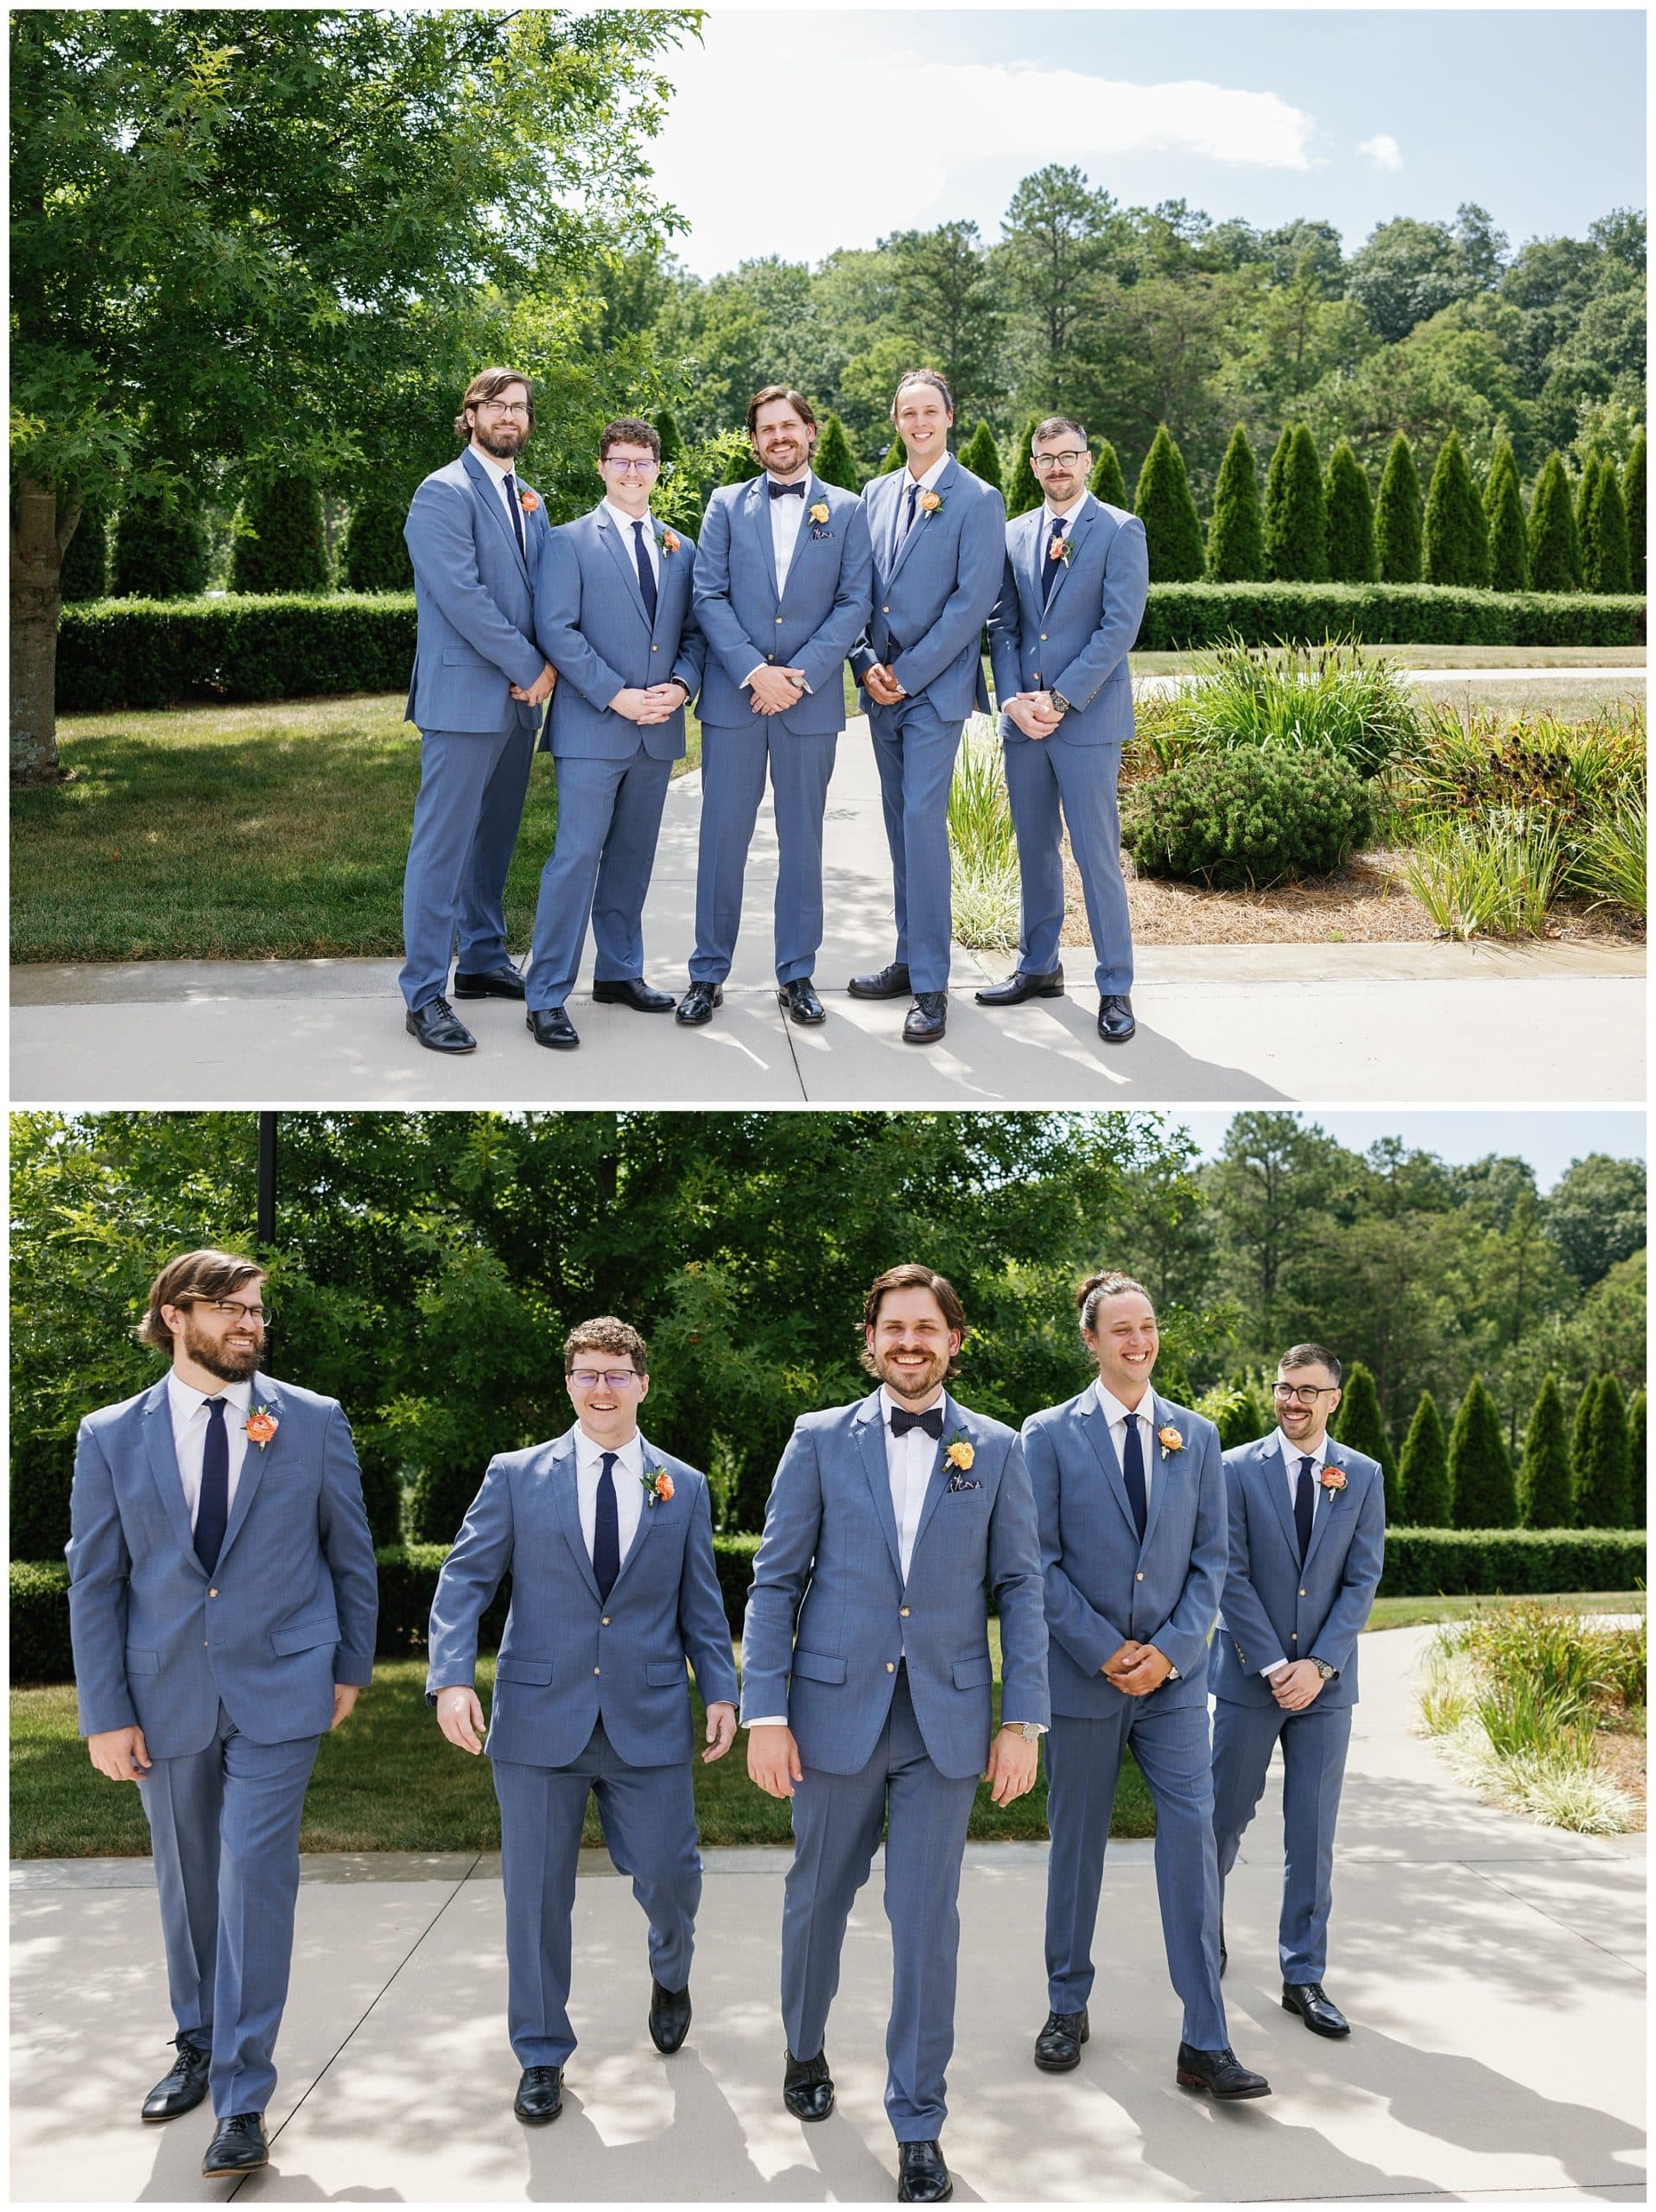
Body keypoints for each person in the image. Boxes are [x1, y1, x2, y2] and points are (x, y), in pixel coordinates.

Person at [67, 1249, 378, 2178]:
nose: (252, 1325)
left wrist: (350, 1664)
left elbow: (350, 1552)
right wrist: (103, 1710)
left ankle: (242, 2097)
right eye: (232, 1311)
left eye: (258, 1312)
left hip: (283, 1687)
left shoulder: (310, 1421)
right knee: (188, 1880)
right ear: (174, 1315)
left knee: (251, 1877)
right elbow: (96, 1583)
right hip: (161, 1694)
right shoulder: (110, 1435)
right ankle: (196, 2040)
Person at [742, 1264, 1049, 2203]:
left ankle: (919, 2120)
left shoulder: (996, 1449)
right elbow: (775, 1581)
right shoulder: (817, 1440)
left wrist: (1022, 1719)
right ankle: (803, 2045)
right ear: (869, 1341)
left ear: (955, 1340)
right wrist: (765, 1711)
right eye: (894, 1328)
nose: (909, 1343)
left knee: (926, 1927)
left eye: (928, 1327)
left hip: (946, 1723)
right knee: (817, 1903)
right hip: (832, 1717)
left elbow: (1022, 1588)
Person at [426, 1316, 739, 2123]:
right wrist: (451, 1677)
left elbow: (701, 1605)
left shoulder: (683, 1484)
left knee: (672, 1880)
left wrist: (723, 1691)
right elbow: (464, 1583)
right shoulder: (515, 1475)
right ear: (568, 1384)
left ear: (643, 1382)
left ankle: (671, 1971)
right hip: (536, 1721)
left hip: (648, 1719)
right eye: (587, 1374)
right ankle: (539, 2053)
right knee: (534, 1898)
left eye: (616, 1374)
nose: (602, 1388)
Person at [1022, 1273, 1270, 2101]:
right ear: (1090, 1341)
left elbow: (1212, 1559)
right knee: (1076, 1847)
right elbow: (1037, 1562)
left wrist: (1167, 1652)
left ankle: (1205, 2037)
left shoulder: (1194, 1435)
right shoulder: (1047, 1434)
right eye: (1121, 1329)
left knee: (1192, 1843)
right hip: (1083, 1681)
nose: (1139, 1341)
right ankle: (1066, 2005)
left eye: (1149, 1327)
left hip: (1172, 1686)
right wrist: (1101, 1649)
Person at [680, 386, 873, 1028]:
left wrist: (802, 675)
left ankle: (797, 974)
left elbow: (853, 603)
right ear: (754, 439)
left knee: (803, 842)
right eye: (766, 429)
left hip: (808, 703)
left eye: (789, 425)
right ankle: (706, 975)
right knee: (721, 841)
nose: (779, 437)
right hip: (736, 702)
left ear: (810, 431)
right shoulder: (724, 505)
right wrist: (753, 671)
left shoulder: (846, 510)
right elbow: (707, 595)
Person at [1209, 1344, 1386, 2038]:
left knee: (1311, 1837)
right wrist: (1271, 1665)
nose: (1293, 1401)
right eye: (1284, 1388)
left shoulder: (1362, 1476)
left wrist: (1318, 1664)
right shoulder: (1232, 1469)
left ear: (1332, 1399)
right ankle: (1203, 1936)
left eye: (1308, 1391)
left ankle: (1303, 1975)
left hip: (1326, 1689)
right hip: (1250, 1681)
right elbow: (1227, 1571)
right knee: (1221, 1819)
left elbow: (1360, 1579)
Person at [523, 419, 705, 1048]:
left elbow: (693, 636)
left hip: (658, 730)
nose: (632, 472)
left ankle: (620, 973)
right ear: (601, 467)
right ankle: (545, 994)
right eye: (620, 461)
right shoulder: (569, 542)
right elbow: (557, 629)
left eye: (643, 462)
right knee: (574, 860)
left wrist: (680, 687)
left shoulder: (681, 546)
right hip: (592, 728)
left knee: (633, 858)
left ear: (658, 470)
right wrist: (616, 695)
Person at [400, 367, 558, 1055]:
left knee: (493, 840)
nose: (508, 416)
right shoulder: (441, 492)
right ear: (468, 415)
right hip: (466, 696)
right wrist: (531, 667)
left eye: (519, 407)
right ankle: (424, 993)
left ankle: (485, 960)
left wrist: (552, 667)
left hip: (520, 703)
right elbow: (461, 596)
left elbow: (546, 594)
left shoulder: (530, 499)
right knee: (443, 846)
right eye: (495, 406)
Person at [848, 373, 1006, 1045]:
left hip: (933, 690)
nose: (918, 422)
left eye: (929, 412)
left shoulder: (977, 498)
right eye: (907, 413)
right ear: (896, 420)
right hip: (878, 687)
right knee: (897, 827)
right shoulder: (874, 493)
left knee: (920, 822)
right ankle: (909, 958)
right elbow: (854, 589)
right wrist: (864, 663)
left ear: (949, 417)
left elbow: (972, 604)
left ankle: (932, 988)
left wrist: (906, 675)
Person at [982, 417, 1149, 1044]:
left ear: (1087, 463)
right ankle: (1038, 966)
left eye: (1067, 456)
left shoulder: (1118, 530)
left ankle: (1114, 986)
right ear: (1031, 466)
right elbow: (1001, 624)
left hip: (1085, 721)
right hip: (1025, 722)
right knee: (1033, 848)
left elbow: (1118, 628)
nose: (1056, 467)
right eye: (1045, 457)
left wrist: (1060, 697)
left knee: (1095, 854)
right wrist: (1013, 700)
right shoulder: (1014, 533)